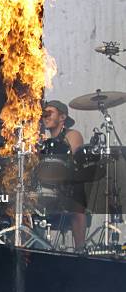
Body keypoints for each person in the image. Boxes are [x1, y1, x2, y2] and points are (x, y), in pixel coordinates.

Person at [41, 100, 86, 251]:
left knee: (77, 193)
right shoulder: (42, 142)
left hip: (67, 189)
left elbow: (70, 162)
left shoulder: (73, 135)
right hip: (44, 189)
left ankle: (80, 251)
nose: (45, 116)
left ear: (62, 117)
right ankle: (30, 251)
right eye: (44, 114)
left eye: (49, 113)